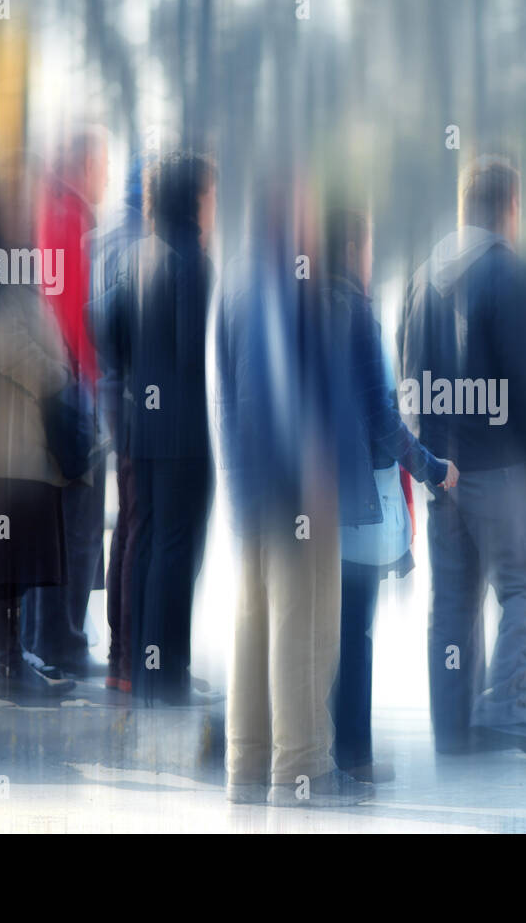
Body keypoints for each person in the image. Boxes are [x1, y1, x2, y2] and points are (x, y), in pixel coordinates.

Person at [397, 155, 526, 761]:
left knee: (453, 599)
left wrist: (424, 458)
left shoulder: (419, 279)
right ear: (510, 206)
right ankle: (509, 705)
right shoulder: (513, 276)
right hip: (504, 468)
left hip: (441, 467)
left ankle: (454, 732)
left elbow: (404, 374)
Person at [215, 178, 370, 806]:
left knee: (253, 622)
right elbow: (287, 385)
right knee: (303, 625)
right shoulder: (288, 281)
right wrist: (315, 464)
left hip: (249, 484)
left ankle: (246, 764)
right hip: (296, 485)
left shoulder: (235, 276)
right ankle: (303, 769)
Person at [323, 201, 457, 783]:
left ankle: (323, 745)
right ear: (353, 248)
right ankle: (354, 755)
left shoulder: (304, 307)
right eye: (369, 244)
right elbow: (381, 416)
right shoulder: (355, 312)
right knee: (356, 629)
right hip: (354, 498)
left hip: (307, 493)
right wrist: (431, 467)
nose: (372, 257)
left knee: (325, 629)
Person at [0, 156, 78, 704]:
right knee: (4, 558)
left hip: (17, 443)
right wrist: (57, 373)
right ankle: (4, 668)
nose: (29, 207)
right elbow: (8, 344)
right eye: (17, 197)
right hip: (4, 446)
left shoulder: (12, 262)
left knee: (11, 559)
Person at [113, 150, 217, 705]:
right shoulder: (192, 261)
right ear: (193, 198)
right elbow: (194, 353)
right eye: (211, 193)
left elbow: (105, 324)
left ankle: (150, 671)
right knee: (177, 551)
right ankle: (169, 674)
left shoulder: (136, 255)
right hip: (184, 431)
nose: (215, 205)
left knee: (150, 544)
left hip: (142, 427)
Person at [24, 128, 110, 677]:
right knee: (76, 527)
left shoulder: (49, 210)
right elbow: (74, 313)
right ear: (82, 164)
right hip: (71, 394)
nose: (105, 174)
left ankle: (44, 638)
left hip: (51, 391)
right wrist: (90, 390)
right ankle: (64, 641)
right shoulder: (71, 219)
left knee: (53, 525)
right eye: (101, 162)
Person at [87, 151, 154, 693]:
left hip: (113, 395)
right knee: (138, 529)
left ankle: (122, 658)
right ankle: (132, 659)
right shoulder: (136, 241)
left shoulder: (104, 234)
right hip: (137, 402)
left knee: (127, 527)